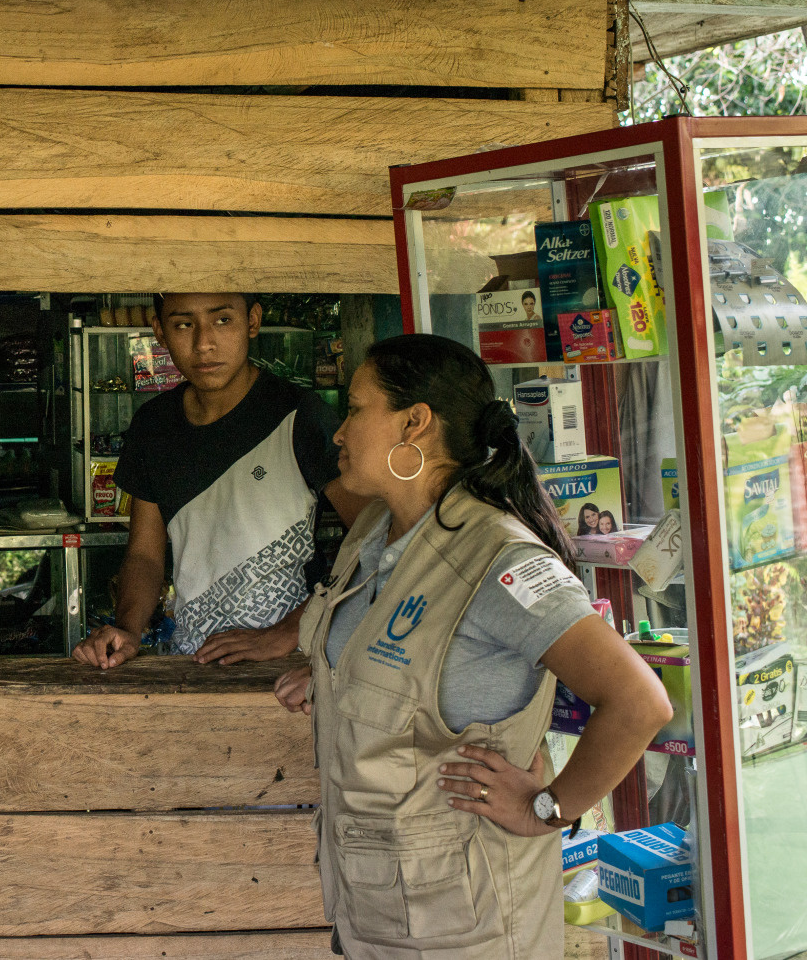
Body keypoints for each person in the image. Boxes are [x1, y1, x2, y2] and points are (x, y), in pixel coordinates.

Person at [275, 334, 672, 959]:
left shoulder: (497, 558)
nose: (339, 433)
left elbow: (639, 700)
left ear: (415, 423)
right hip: (382, 911)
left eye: (354, 408)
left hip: (470, 922)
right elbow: (402, 664)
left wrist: (548, 808)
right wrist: (332, 674)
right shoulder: (377, 531)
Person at [73, 292, 364, 669]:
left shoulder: (300, 416)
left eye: (222, 320)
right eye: (183, 325)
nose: (203, 343)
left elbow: (373, 537)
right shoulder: (153, 426)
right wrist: (127, 629)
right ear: (160, 332)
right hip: (195, 660)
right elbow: (145, 554)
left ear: (253, 322)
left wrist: (289, 630)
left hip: (295, 665)